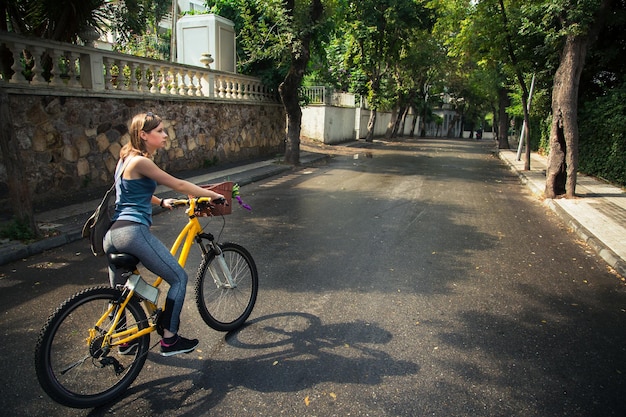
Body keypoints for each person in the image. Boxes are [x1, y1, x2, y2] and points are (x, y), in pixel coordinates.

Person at [103, 112, 225, 357]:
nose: (165, 135)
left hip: (112, 235)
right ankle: (170, 339)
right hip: (132, 232)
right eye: (159, 131)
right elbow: (179, 184)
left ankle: (124, 339)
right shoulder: (142, 162)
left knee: (121, 290)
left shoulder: (125, 159)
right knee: (179, 278)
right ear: (143, 135)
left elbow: (129, 192)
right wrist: (212, 194)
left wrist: (160, 202)